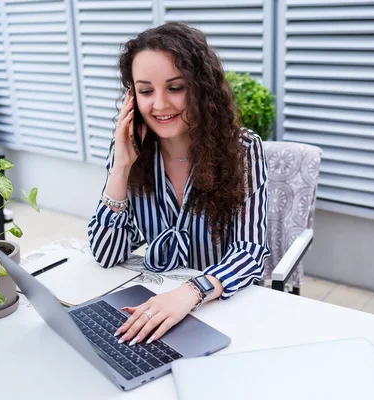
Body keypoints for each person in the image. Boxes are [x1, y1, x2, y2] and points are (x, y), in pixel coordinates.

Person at [88, 22, 270, 346]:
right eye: (145, 91)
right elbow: (105, 254)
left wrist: (190, 292)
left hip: (220, 306)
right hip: (153, 304)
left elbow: (250, 252)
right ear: (132, 99)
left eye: (175, 87)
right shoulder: (130, 150)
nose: (159, 105)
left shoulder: (243, 151)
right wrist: (120, 170)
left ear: (201, 88)